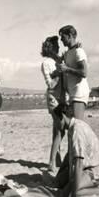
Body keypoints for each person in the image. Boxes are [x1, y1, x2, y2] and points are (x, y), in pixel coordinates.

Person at [52, 105, 99, 197]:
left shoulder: (76, 130)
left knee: (70, 193)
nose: (55, 124)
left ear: (62, 116)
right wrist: (60, 174)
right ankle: (81, 186)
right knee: (59, 182)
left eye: (55, 120)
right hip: (85, 167)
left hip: (94, 169)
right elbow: (69, 154)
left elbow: (79, 163)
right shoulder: (72, 126)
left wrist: (74, 194)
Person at [40, 35, 66, 174]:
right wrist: (59, 73)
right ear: (50, 48)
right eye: (55, 46)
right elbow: (51, 84)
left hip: (61, 98)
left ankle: (56, 160)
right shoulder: (46, 63)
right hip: (53, 99)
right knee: (60, 129)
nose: (58, 48)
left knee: (57, 130)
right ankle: (52, 162)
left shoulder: (57, 61)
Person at [57, 25, 90, 120]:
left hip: (79, 93)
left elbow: (84, 72)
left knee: (77, 126)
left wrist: (66, 69)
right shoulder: (68, 53)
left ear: (70, 35)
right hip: (72, 94)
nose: (61, 40)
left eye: (63, 37)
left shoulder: (79, 51)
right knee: (71, 126)